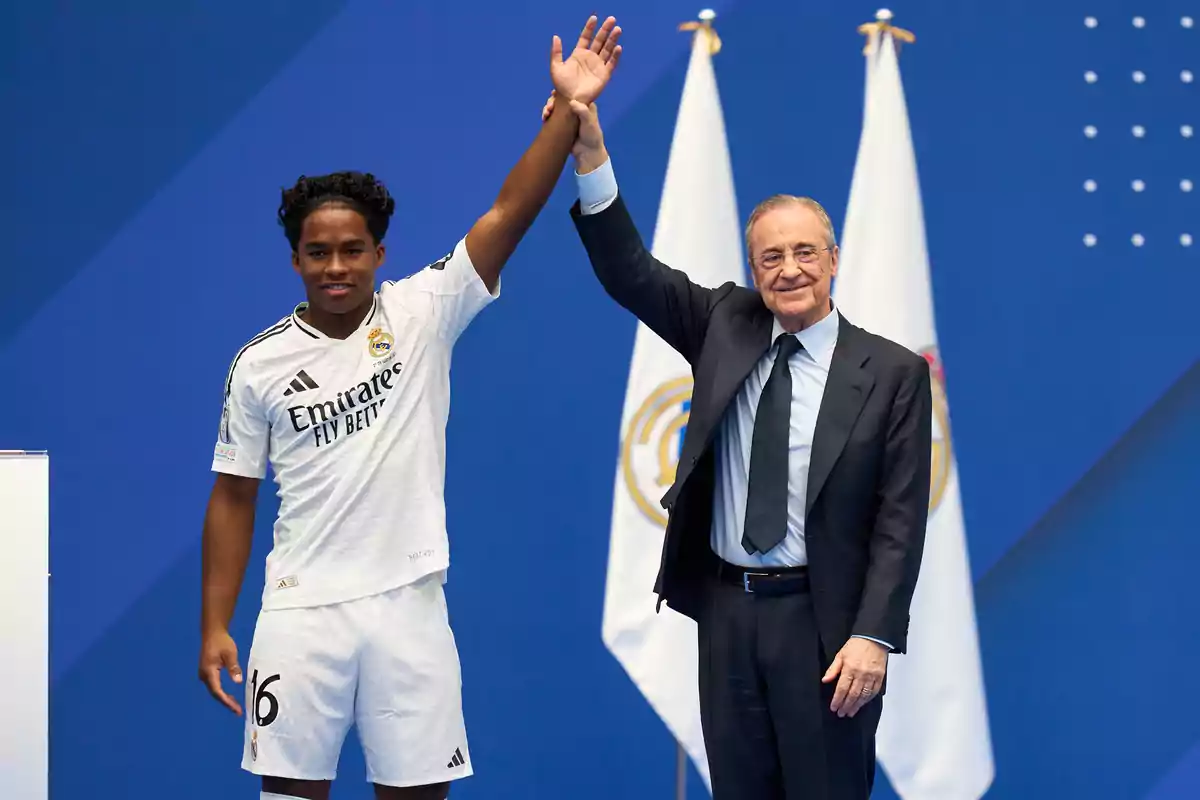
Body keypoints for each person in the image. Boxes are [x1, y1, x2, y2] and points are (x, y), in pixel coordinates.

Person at [197, 17, 623, 800]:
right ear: (294, 259)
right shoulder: (257, 364)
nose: (335, 266)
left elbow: (506, 213)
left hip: (409, 608)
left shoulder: (423, 311)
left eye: (352, 249)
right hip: (300, 614)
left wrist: (568, 111)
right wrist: (215, 623)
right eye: (318, 252)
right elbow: (233, 494)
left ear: (379, 255)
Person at [544, 93, 931, 799]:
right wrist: (591, 153)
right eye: (770, 257)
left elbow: (901, 522)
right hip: (726, 615)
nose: (788, 270)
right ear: (753, 269)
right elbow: (629, 271)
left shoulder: (894, 372)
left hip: (826, 623)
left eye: (804, 252)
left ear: (834, 258)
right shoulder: (724, 321)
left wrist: (873, 634)